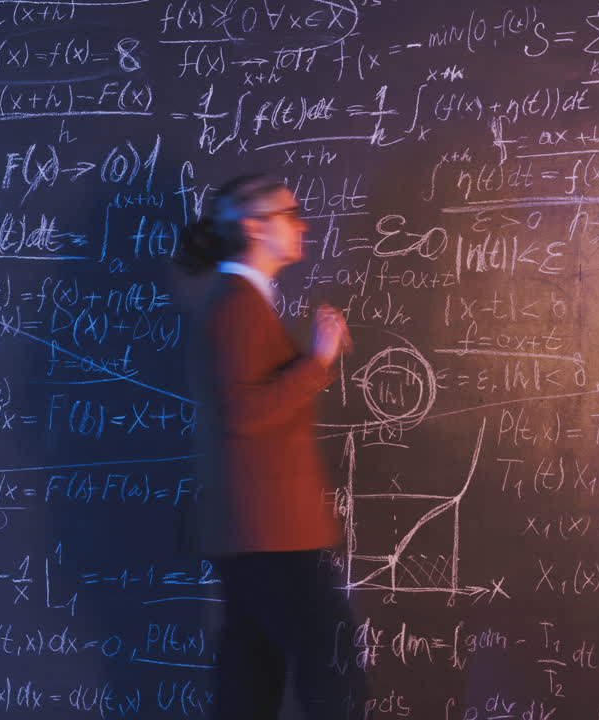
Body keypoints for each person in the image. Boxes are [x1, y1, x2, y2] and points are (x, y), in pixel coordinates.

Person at [177, 174, 366, 720]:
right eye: (290, 213)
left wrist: (311, 363)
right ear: (256, 228)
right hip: (271, 532)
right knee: (334, 674)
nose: (302, 223)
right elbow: (246, 413)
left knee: (250, 678)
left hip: (257, 529)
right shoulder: (237, 304)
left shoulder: (242, 300)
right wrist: (317, 362)